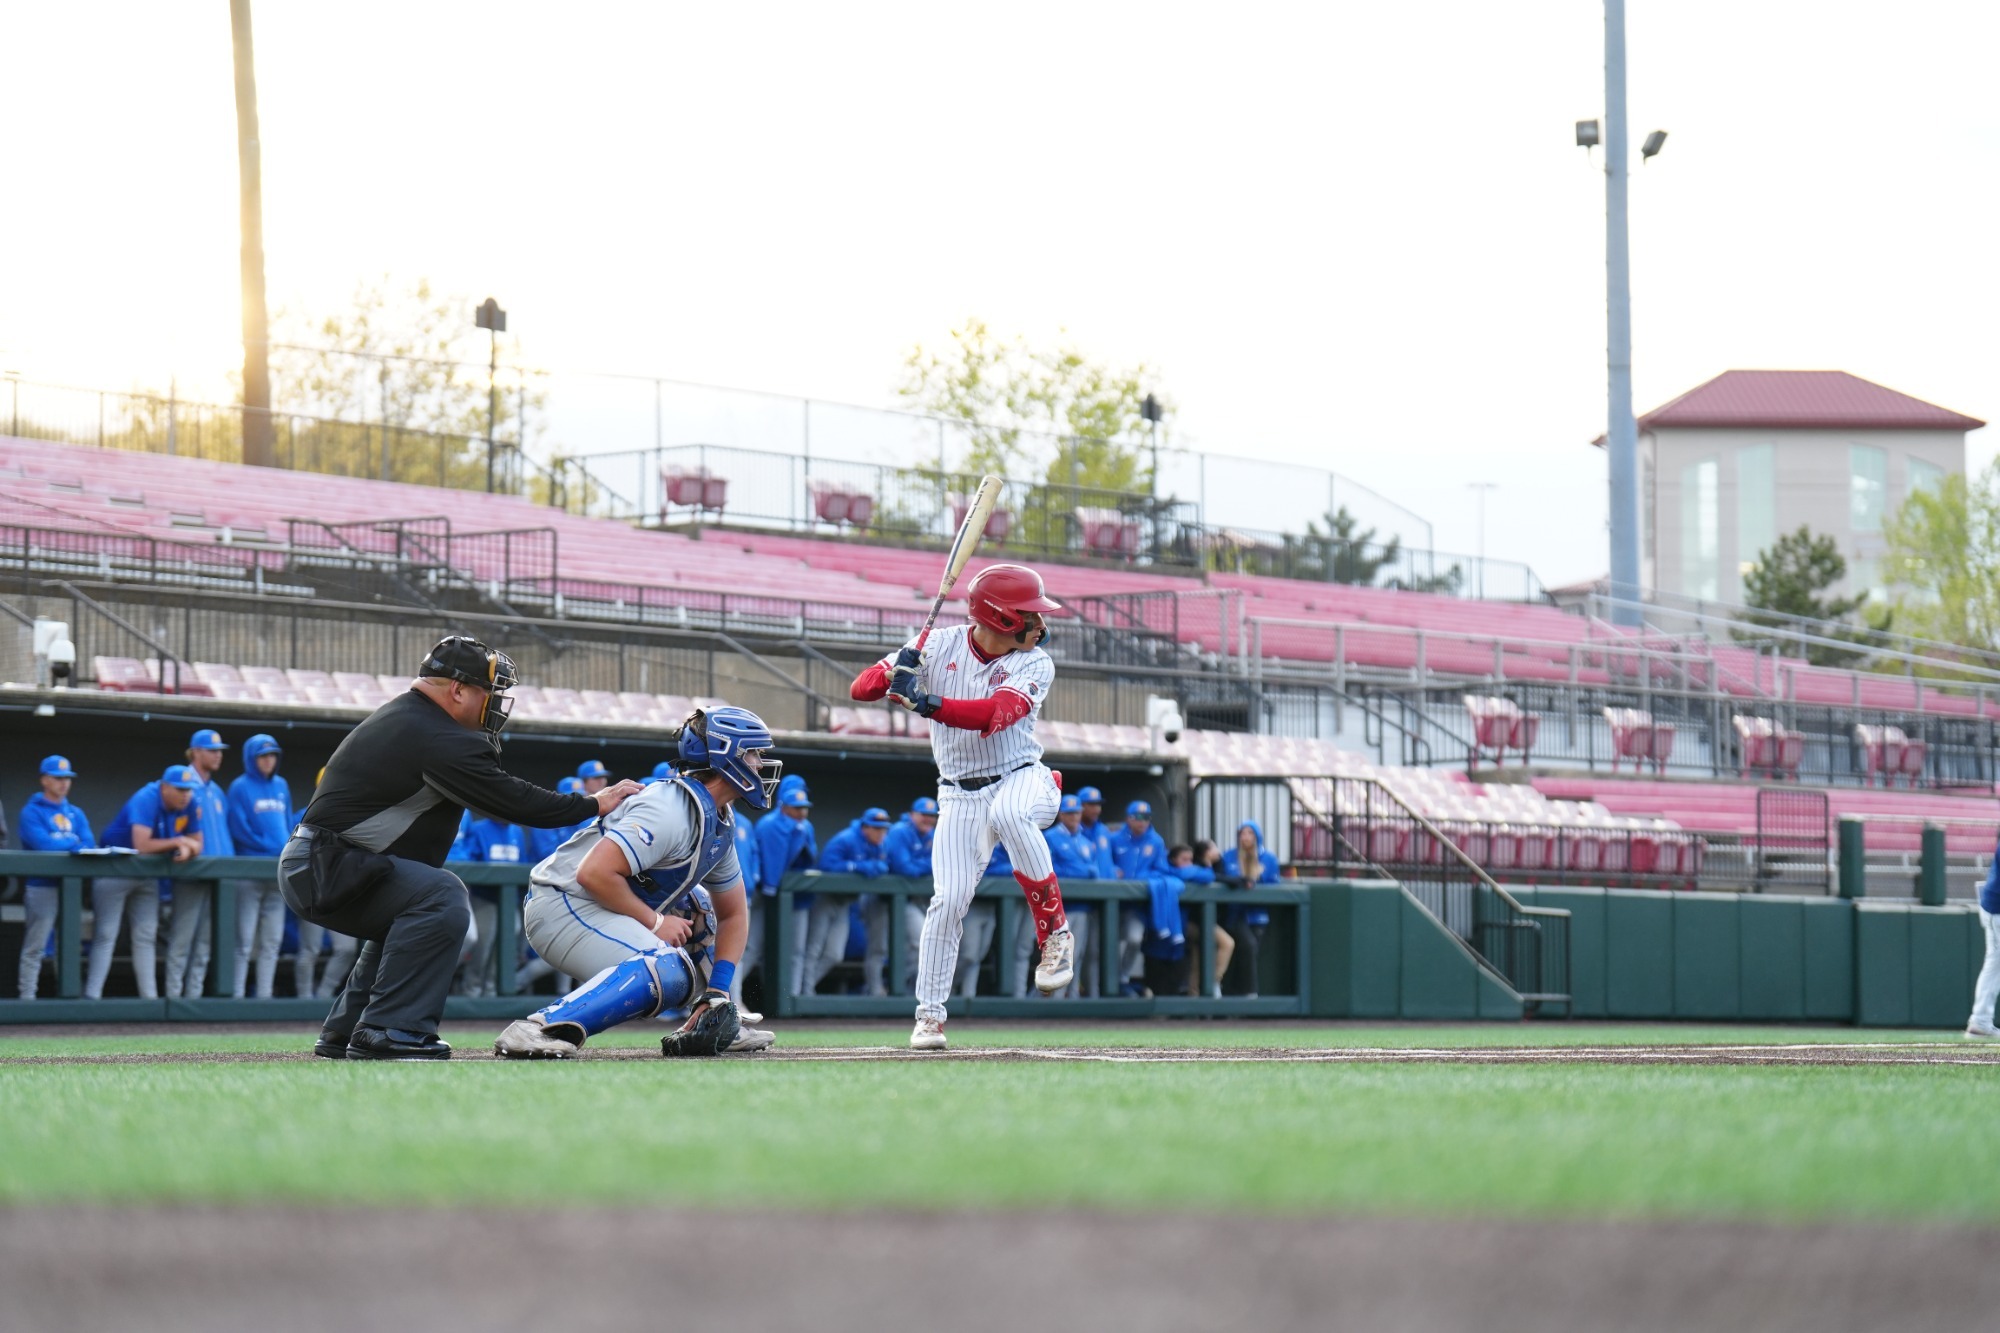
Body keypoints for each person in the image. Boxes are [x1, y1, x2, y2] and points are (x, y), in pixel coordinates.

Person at [280, 636, 639, 1060]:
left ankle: (347, 1029)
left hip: (324, 862)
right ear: (458, 689)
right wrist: (594, 802)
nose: (496, 702)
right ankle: (392, 1028)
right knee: (441, 895)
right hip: (327, 865)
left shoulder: (410, 718)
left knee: (410, 908)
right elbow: (515, 800)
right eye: (490, 691)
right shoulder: (434, 731)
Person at [851, 562, 1073, 1050]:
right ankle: (929, 1018)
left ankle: (1054, 932)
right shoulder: (941, 643)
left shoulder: (1036, 662)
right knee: (947, 902)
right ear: (1001, 618)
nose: (1040, 623)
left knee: (1010, 815)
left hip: (1022, 778)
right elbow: (859, 687)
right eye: (1029, 615)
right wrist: (895, 672)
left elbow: (996, 715)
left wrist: (924, 702)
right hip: (957, 792)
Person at [495, 706, 780, 1058]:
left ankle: (712, 1018)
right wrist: (656, 922)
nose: (760, 764)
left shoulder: (718, 818)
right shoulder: (669, 808)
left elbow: (734, 912)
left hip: (598, 904)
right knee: (669, 969)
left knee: (701, 906)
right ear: (727, 754)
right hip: (562, 905)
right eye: (753, 753)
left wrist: (718, 993)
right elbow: (593, 873)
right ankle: (539, 1027)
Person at [86, 765, 204, 999]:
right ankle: (91, 997)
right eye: (180, 789)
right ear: (164, 787)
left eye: (188, 790)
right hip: (114, 870)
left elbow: (198, 843)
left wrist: (187, 848)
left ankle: (149, 1000)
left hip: (147, 875)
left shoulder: (190, 802)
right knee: (106, 934)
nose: (185, 795)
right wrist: (179, 841)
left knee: (146, 936)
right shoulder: (146, 797)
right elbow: (142, 845)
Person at [162, 729, 234, 998]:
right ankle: (172, 998)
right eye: (212, 749)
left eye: (220, 750)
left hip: (218, 875)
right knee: (182, 940)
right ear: (195, 752)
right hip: (190, 873)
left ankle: (193, 999)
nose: (218, 755)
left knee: (205, 943)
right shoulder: (181, 783)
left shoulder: (216, 791)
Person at [16, 756, 92, 1000]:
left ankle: (68, 998)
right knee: (35, 946)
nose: (64, 783)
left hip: (71, 888)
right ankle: (27, 999)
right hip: (41, 886)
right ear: (44, 780)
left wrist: (65, 842)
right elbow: (43, 844)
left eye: (67, 778)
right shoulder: (31, 811)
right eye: (58, 778)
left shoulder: (76, 812)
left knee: (68, 946)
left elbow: (90, 843)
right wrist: (72, 841)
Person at [1012, 793, 1101, 998]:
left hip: (1079, 905)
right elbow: (1049, 869)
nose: (1074, 817)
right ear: (1061, 815)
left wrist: (1085, 871)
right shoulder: (1050, 837)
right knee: (1036, 951)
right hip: (1048, 906)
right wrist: (1081, 871)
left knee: (1074, 955)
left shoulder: (1086, 841)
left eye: (1077, 813)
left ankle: (1068, 998)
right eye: (1069, 813)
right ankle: (1026, 998)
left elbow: (1095, 871)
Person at [227, 734, 294, 999]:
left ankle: (264, 997)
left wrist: (284, 850)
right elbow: (238, 828)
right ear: (251, 758)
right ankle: (236, 995)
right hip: (249, 870)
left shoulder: (282, 785)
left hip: (276, 871)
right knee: (244, 940)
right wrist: (268, 847)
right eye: (263, 756)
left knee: (272, 940)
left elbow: (287, 823)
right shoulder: (239, 786)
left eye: (273, 755)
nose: (269, 760)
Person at [809, 806, 891, 993]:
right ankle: (800, 993)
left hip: (845, 903)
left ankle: (803, 990)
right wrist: (859, 866)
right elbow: (827, 865)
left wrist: (869, 866)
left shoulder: (881, 844)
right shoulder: (845, 839)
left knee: (834, 954)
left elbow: (884, 866)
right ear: (865, 827)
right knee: (813, 950)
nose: (881, 833)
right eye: (876, 828)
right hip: (825, 899)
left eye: (884, 829)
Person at [865, 797, 937, 996]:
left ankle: (901, 989)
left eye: (932, 816)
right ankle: (874, 991)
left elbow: (925, 866)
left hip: (907, 901)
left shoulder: (931, 834)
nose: (928, 819)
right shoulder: (899, 831)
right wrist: (928, 864)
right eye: (924, 815)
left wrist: (921, 864)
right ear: (912, 814)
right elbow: (905, 868)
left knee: (921, 942)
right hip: (881, 898)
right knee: (878, 948)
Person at [753, 776, 817, 996]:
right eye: (796, 808)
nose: (801, 813)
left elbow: (811, 858)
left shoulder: (805, 827)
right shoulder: (769, 825)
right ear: (783, 805)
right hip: (764, 896)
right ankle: (766, 997)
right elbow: (771, 865)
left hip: (796, 898)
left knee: (797, 950)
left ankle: (795, 997)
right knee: (757, 947)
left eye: (804, 808)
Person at [456, 812, 525, 997]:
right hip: (484, 898)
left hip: (510, 901)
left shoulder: (516, 832)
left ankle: (491, 990)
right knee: (483, 945)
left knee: (508, 942)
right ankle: (472, 990)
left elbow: (524, 865)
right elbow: (470, 862)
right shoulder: (479, 829)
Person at [1109, 800, 1168, 995]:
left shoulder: (1156, 841)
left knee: (1134, 939)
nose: (1142, 822)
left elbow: (1162, 870)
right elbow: (1105, 862)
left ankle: (1123, 978)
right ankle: (1110, 979)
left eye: (1146, 817)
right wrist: (1113, 870)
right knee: (1109, 940)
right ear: (1129, 818)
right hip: (1113, 901)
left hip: (1138, 903)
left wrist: (1143, 878)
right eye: (1138, 817)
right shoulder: (1115, 838)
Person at [1219, 820, 1280, 998]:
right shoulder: (1229, 856)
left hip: (1258, 914)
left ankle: (1235, 996)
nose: (1245, 837)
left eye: (1250, 833)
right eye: (1242, 833)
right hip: (1234, 914)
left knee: (1248, 954)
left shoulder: (1268, 858)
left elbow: (1275, 885)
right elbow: (1223, 878)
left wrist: (1257, 884)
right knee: (1248, 946)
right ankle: (1250, 994)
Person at [1174, 840, 1233, 997]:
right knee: (1227, 943)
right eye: (1214, 847)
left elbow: (1221, 875)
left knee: (1197, 960)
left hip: (1202, 922)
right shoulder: (1196, 868)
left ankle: (1194, 998)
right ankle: (1213, 981)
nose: (1218, 850)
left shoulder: (1215, 865)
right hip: (1191, 922)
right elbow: (1209, 877)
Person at [727, 788, 761, 1014]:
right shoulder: (706, 818)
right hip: (717, 897)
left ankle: (735, 1000)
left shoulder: (745, 823)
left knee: (740, 950)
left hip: (744, 896)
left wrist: (755, 877)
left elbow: (755, 855)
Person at [1968, 832, 2000, 1038]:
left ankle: (1980, 1020)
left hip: (1993, 906)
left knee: (1994, 964)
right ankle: (1980, 1020)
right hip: (1997, 908)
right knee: (1995, 965)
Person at [525, 777, 586, 863]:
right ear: (560, 798)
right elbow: (548, 855)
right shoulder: (544, 820)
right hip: (541, 873)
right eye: (572, 799)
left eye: (580, 799)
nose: (576, 804)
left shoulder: (580, 823)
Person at [1075, 786, 1118, 878]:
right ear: (1080, 806)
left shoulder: (1103, 830)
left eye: (1098, 804)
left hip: (1107, 887)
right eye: (1091, 804)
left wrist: (1114, 870)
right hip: (1082, 888)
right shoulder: (1073, 831)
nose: (1096, 809)